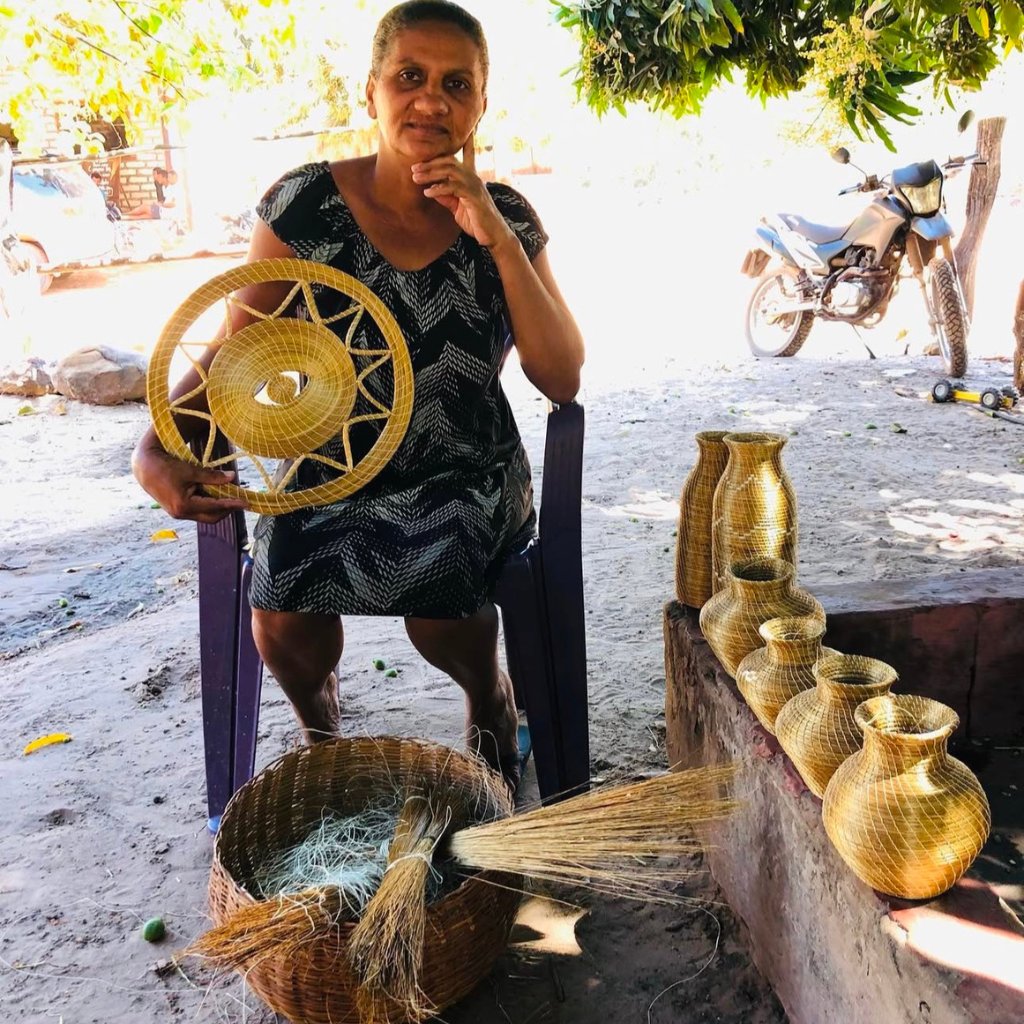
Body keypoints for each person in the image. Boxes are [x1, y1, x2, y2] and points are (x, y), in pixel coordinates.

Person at [132, 0, 584, 793]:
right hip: (330, 460)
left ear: (483, 102)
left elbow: (561, 377)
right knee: (280, 603)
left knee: (442, 588)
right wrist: (156, 447)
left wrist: (496, 235)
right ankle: (323, 730)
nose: (431, 100)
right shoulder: (305, 207)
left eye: (456, 83)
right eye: (409, 76)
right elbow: (239, 351)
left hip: (466, 468)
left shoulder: (506, 215)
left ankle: (489, 699)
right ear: (370, 90)